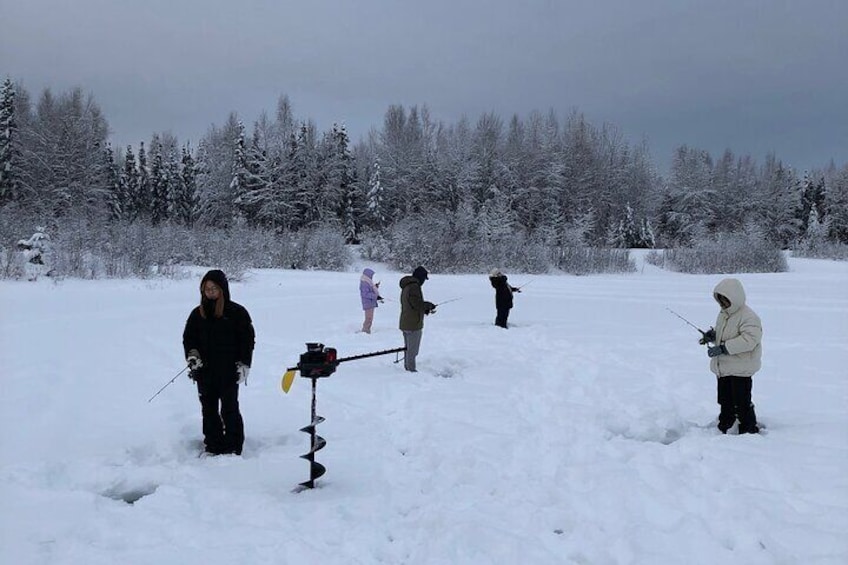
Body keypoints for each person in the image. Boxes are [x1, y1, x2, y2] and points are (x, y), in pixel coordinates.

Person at [183, 269, 256, 455]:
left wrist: (244, 364)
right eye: (207, 289)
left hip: (229, 371)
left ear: (223, 289)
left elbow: (247, 340)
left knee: (230, 408)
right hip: (204, 372)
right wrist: (192, 356)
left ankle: (233, 446)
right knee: (208, 410)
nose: (210, 292)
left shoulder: (237, 312)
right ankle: (213, 445)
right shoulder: (197, 314)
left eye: (214, 288)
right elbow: (189, 339)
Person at [699, 277, 762, 434]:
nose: (722, 304)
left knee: (741, 402)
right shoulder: (724, 315)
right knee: (725, 401)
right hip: (724, 367)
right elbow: (725, 334)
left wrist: (723, 348)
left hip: (741, 368)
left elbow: (750, 340)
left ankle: (748, 430)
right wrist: (712, 336)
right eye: (720, 301)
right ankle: (725, 425)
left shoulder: (749, 316)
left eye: (725, 300)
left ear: (735, 298)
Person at [398, 265, 436, 372]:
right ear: (421, 277)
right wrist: (428, 305)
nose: (424, 281)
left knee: (408, 349)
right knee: (412, 351)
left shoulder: (407, 285)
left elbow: (412, 305)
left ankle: (407, 368)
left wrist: (424, 310)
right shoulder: (414, 287)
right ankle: (411, 371)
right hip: (413, 324)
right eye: (424, 278)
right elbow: (417, 304)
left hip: (406, 321)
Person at [359, 268, 383, 334]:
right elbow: (365, 294)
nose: (372, 276)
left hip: (370, 302)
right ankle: (365, 331)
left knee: (370, 318)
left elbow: (370, 290)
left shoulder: (368, 282)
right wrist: (376, 297)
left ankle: (366, 330)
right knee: (369, 318)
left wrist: (376, 286)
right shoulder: (364, 283)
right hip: (368, 303)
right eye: (371, 275)